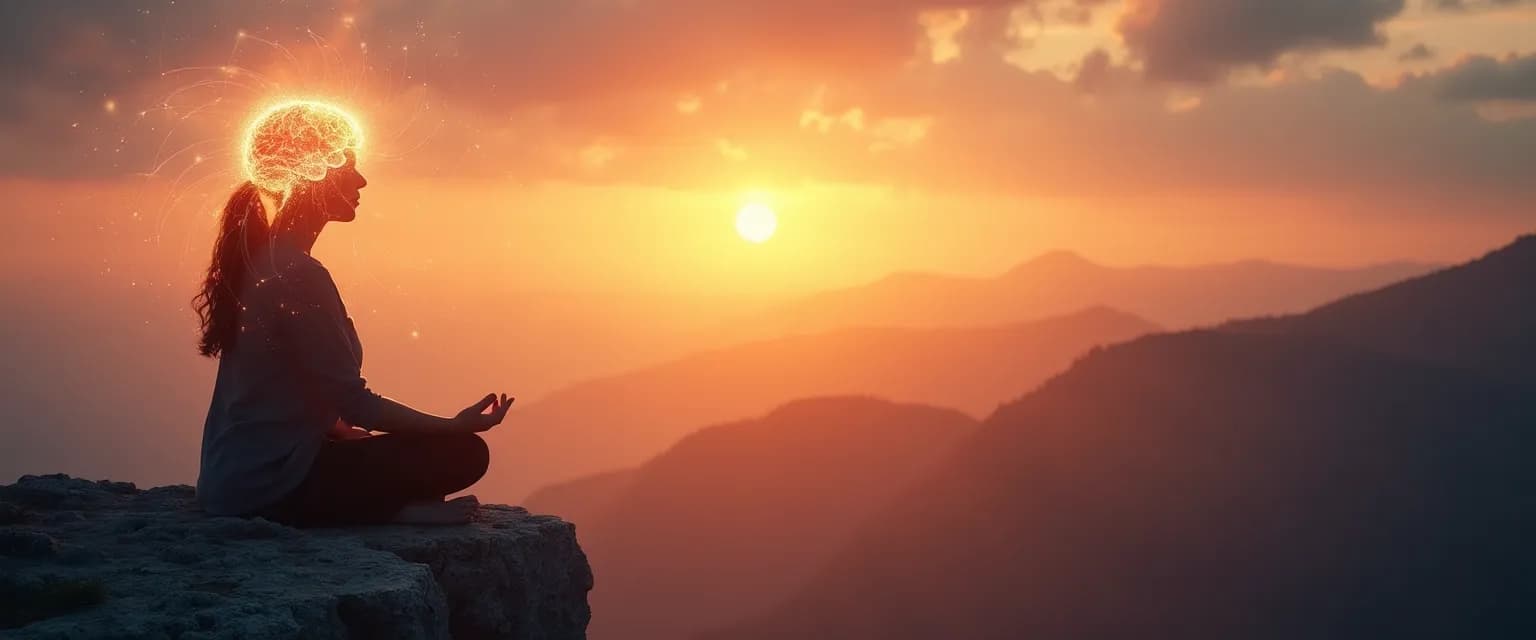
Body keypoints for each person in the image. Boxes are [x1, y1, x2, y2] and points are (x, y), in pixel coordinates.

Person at [193, 101, 511, 526]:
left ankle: (381, 502)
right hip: (269, 488)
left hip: (232, 479)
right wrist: (452, 426)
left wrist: (337, 430)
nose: (361, 180)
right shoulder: (298, 273)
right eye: (349, 167)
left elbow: (286, 388)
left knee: (405, 447)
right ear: (314, 174)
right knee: (465, 453)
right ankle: (394, 511)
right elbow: (356, 402)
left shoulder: (262, 260)